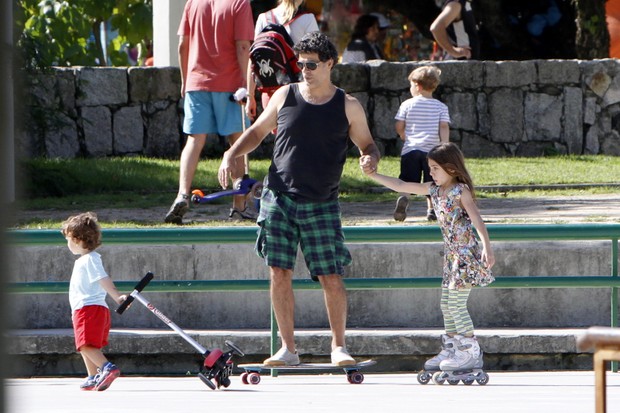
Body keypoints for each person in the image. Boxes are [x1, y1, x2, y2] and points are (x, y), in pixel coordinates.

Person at [218, 32, 381, 366]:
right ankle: (288, 349)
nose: (304, 70)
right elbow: (257, 132)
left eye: (311, 64)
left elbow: (368, 144)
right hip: (278, 197)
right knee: (279, 272)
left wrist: (370, 158)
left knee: (331, 276)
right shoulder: (284, 95)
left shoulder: (347, 105)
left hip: (321, 202)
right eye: (300, 63)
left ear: (330, 65)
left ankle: (338, 347)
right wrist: (231, 153)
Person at [361, 142, 495, 374]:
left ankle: (470, 351)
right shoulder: (434, 190)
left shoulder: (460, 191)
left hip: (465, 256)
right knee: (446, 304)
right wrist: (374, 175)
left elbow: (477, 219)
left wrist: (487, 246)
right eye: (430, 168)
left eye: (435, 168)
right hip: (451, 256)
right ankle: (452, 348)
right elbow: (402, 184)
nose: (431, 173)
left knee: (456, 304)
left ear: (451, 169)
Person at [164, 0, 255, 224]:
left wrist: (185, 81)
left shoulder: (192, 3)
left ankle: (182, 194)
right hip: (231, 84)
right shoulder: (239, 3)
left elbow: (182, 45)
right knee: (237, 141)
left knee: (194, 141)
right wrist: (247, 85)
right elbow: (243, 46)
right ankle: (239, 205)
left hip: (196, 83)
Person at [61, 212, 127, 391]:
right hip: (87, 309)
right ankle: (92, 376)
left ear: (77, 239)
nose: (67, 243)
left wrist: (117, 296)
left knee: (84, 345)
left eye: (68, 239)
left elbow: (103, 278)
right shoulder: (86, 260)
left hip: (88, 309)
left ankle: (107, 368)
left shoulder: (89, 260)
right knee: (87, 345)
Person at [393, 65, 450, 222]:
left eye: (411, 85)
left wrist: (402, 134)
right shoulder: (441, 107)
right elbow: (444, 126)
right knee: (432, 181)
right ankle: (432, 209)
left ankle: (404, 198)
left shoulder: (407, 104)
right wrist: (444, 145)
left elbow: (399, 124)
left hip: (411, 150)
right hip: (432, 152)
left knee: (407, 180)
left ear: (417, 85)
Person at [246, 0, 319, 122]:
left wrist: (250, 96)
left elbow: (253, 61)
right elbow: (316, 58)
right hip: (299, 91)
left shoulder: (263, 18)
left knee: (280, 137)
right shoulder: (307, 19)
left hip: (270, 92)